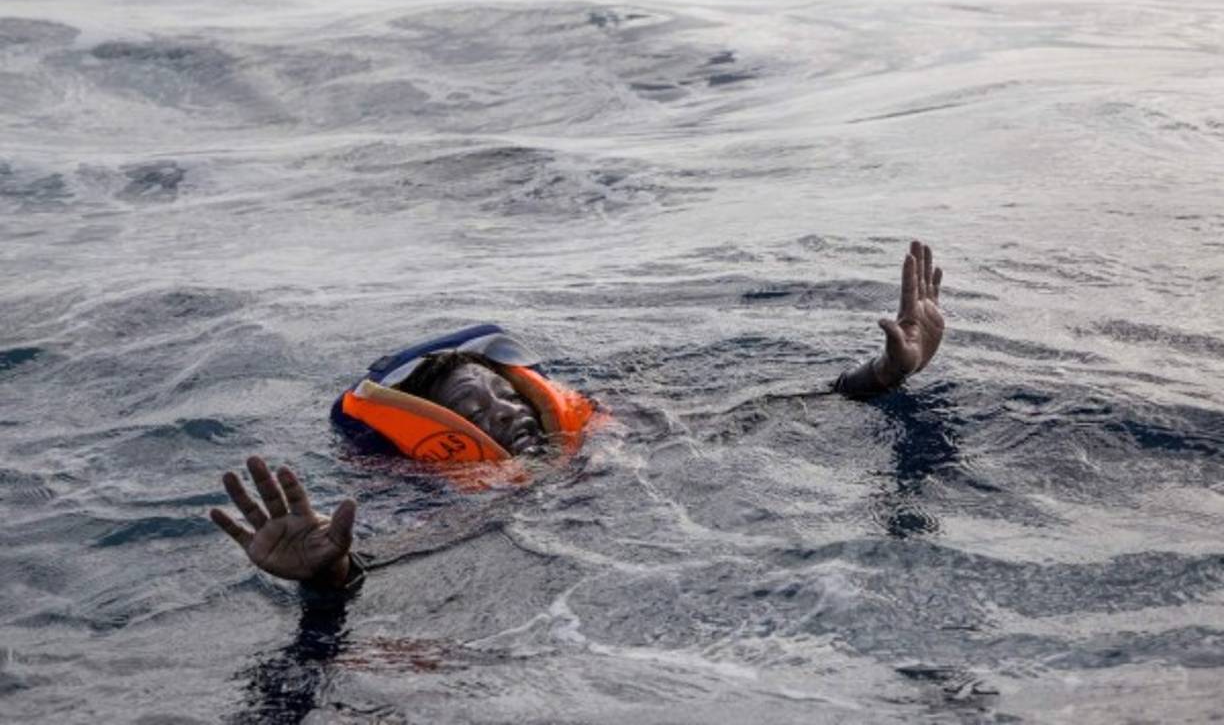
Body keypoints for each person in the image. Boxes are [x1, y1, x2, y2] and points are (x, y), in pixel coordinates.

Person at [209, 240, 945, 591]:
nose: (501, 407)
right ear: (442, 439)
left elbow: (763, 413)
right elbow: (390, 559)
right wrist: (329, 574)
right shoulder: (479, 510)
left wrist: (882, 374)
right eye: (472, 406)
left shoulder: (621, 440)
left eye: (503, 391)